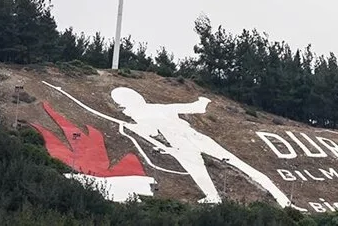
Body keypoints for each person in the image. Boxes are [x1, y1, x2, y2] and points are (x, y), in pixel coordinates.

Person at [110, 87, 291, 207]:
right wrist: (202, 101)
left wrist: (131, 127)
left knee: (203, 170)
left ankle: (214, 197)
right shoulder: (158, 108)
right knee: (234, 165)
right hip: (190, 137)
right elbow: (196, 108)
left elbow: (150, 132)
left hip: (181, 142)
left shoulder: (141, 114)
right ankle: (282, 200)